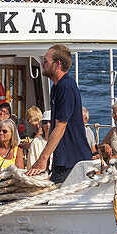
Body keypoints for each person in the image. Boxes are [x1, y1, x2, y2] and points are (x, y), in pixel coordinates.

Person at [28, 44, 92, 184]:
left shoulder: (65, 86)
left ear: (57, 64)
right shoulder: (57, 87)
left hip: (72, 162)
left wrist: (42, 159)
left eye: (45, 61)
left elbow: (60, 127)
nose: (42, 63)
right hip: (63, 160)